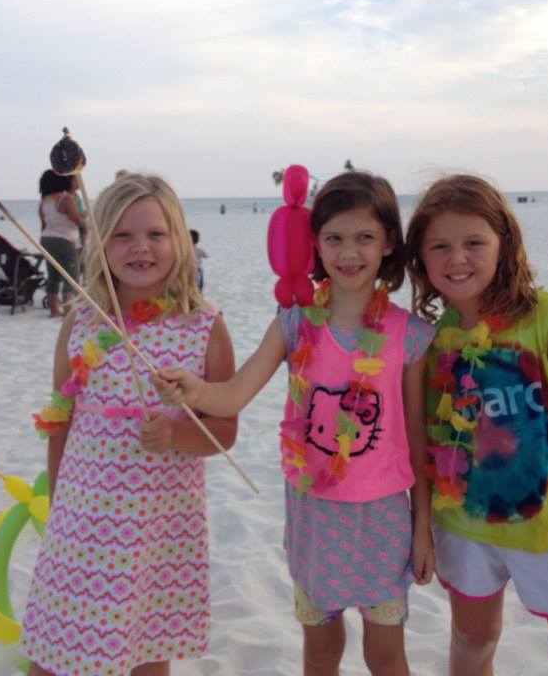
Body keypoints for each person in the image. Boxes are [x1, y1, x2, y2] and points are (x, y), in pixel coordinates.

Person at [154, 171, 435, 676]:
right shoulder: (294, 323)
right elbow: (235, 392)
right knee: (321, 652)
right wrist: (193, 391)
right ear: (315, 245)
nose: (349, 253)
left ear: (388, 242)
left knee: (385, 656)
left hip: (385, 524)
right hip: (314, 520)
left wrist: (423, 532)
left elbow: (418, 440)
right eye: (334, 239)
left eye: (364, 237)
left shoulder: (409, 335)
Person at [405, 175, 548, 676]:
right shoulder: (427, 341)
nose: (457, 258)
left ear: (504, 244)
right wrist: (424, 529)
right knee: (472, 641)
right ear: (420, 259)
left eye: (474, 243)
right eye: (439, 246)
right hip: (463, 530)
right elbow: (421, 442)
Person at [19, 173, 238, 676]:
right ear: (99, 242)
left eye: (155, 234)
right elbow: (60, 421)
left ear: (177, 240)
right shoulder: (82, 322)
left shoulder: (203, 326)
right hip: (81, 521)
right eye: (122, 234)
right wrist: (57, 504)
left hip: (157, 528)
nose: (140, 247)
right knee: (53, 651)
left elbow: (223, 433)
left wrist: (175, 435)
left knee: (143, 651)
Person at [38, 169, 86, 317]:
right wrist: (89, 224)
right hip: (65, 239)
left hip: (46, 239)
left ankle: (54, 311)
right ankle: (68, 312)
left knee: (53, 276)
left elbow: (44, 223)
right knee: (71, 276)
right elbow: (75, 219)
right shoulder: (66, 199)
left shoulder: (45, 201)